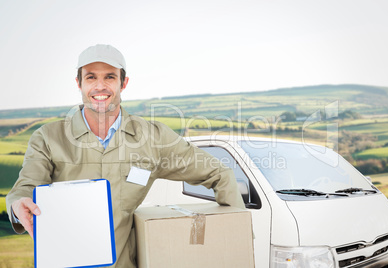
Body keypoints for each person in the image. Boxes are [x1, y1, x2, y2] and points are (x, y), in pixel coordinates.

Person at [6, 44, 245, 267]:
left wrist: (237, 238)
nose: (100, 86)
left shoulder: (154, 138)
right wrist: (18, 204)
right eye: (91, 77)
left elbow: (219, 172)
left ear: (123, 82)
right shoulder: (48, 137)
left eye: (110, 76)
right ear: (78, 83)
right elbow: (25, 186)